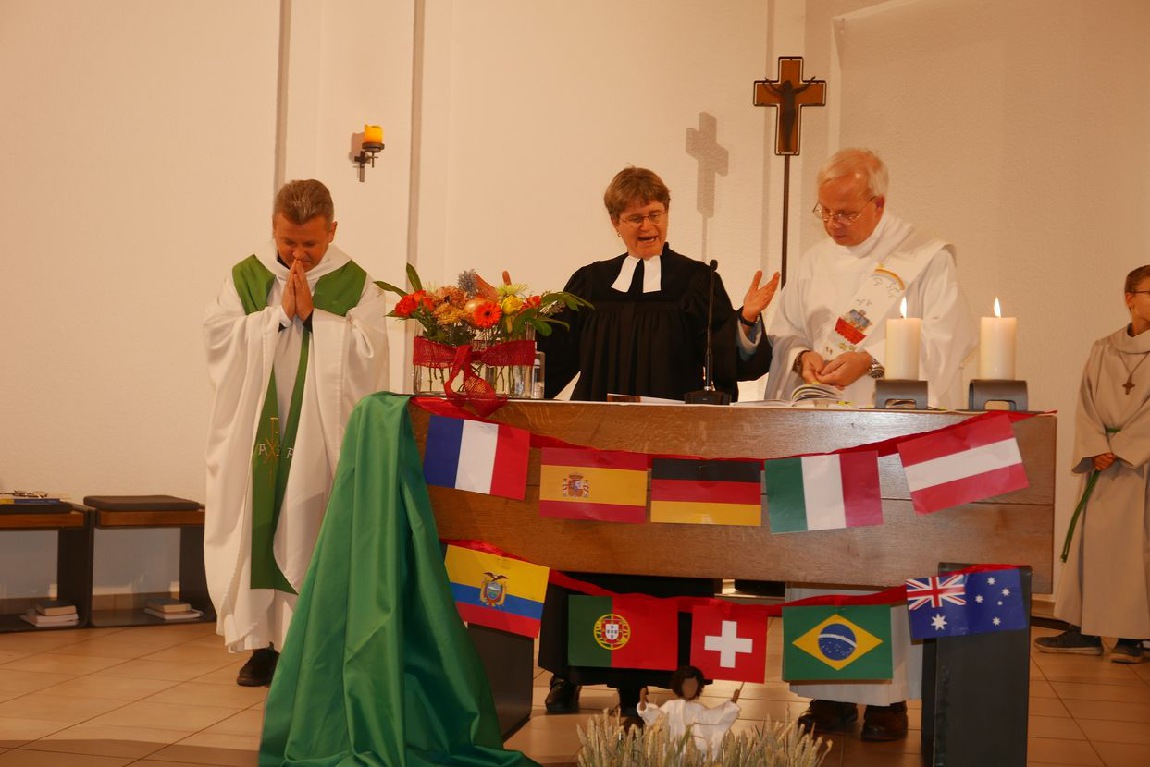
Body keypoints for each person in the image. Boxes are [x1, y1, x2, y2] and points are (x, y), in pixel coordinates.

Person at [537, 166, 778, 724]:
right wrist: (512, 327)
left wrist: (745, 319)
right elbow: (552, 357)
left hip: (669, 451)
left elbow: (726, 359)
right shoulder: (589, 283)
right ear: (615, 223)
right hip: (599, 449)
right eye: (634, 218)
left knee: (661, 563)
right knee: (588, 557)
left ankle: (671, 670)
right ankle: (570, 672)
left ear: (667, 215)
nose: (646, 226)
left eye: (655, 214)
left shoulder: (697, 281)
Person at [765, 148, 977, 741]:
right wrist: (802, 354)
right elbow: (786, 328)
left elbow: (949, 337)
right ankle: (827, 692)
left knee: (886, 560)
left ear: (878, 204)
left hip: (890, 431)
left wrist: (872, 359)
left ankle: (889, 700)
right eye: (825, 212)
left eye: (846, 213)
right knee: (821, 559)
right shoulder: (813, 259)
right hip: (821, 431)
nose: (833, 224)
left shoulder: (924, 257)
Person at [203, 179, 390, 687]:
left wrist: (315, 318)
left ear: (332, 231)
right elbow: (218, 339)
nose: (298, 254)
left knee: (308, 527)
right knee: (259, 526)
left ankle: (306, 646)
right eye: (289, 241)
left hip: (317, 434)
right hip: (258, 428)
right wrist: (277, 317)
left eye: (310, 243)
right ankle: (262, 647)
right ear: (274, 227)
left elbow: (371, 353)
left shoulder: (356, 284)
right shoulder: (246, 277)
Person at [1034, 265, 1150, 664]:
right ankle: (1083, 629)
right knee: (1091, 546)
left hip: (1140, 464)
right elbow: (1085, 403)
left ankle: (1133, 637)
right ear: (1129, 298)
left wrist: (1121, 447)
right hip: (1103, 461)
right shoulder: (1104, 347)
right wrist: (1096, 446)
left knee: (1136, 551)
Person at [638, 666, 741, 757]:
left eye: (693, 685)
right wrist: (645, 708)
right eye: (687, 685)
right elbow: (658, 718)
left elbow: (714, 718)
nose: (690, 689)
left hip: (693, 754)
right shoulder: (670, 706)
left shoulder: (699, 708)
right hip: (671, 753)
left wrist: (731, 705)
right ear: (679, 685)